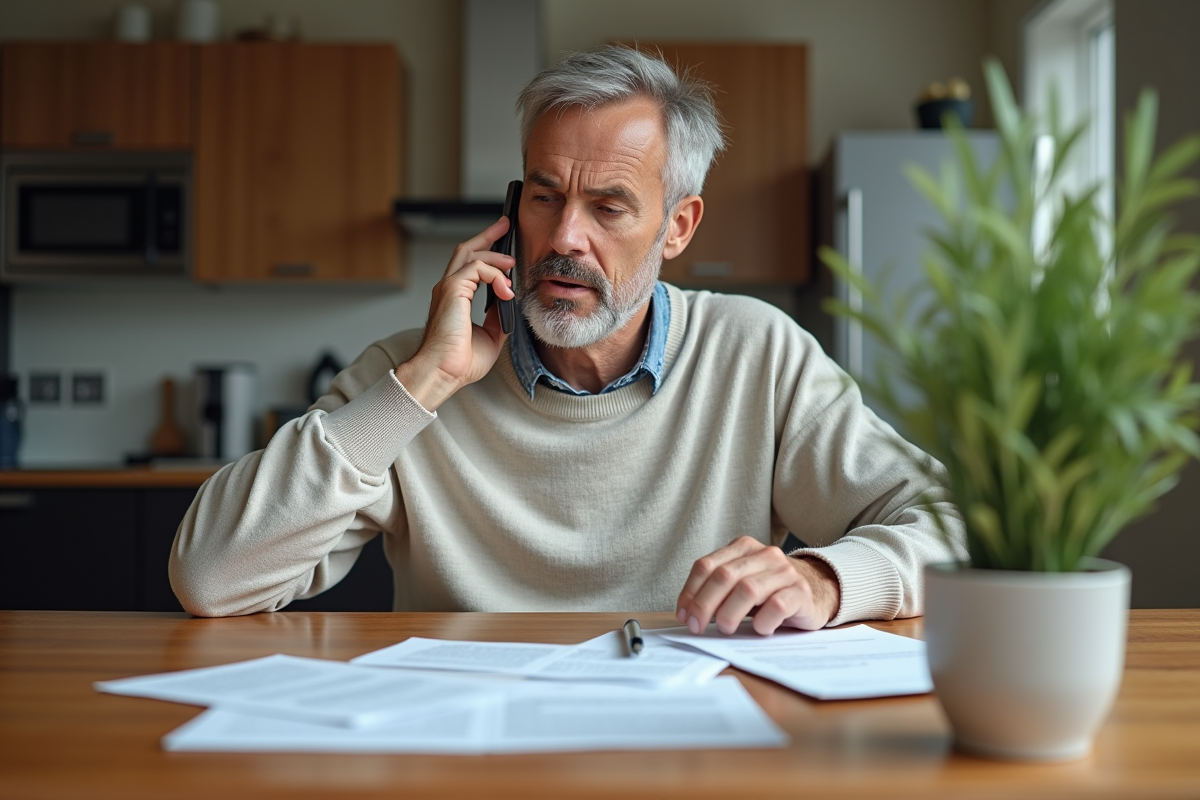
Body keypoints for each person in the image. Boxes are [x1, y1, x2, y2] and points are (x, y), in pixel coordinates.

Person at [170, 45, 965, 634]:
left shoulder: (757, 354)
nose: (565, 238)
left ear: (677, 225)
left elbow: (953, 525)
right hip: (466, 750)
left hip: (680, 747)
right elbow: (209, 577)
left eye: (609, 207)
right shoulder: (410, 376)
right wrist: (424, 387)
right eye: (544, 197)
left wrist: (824, 580)